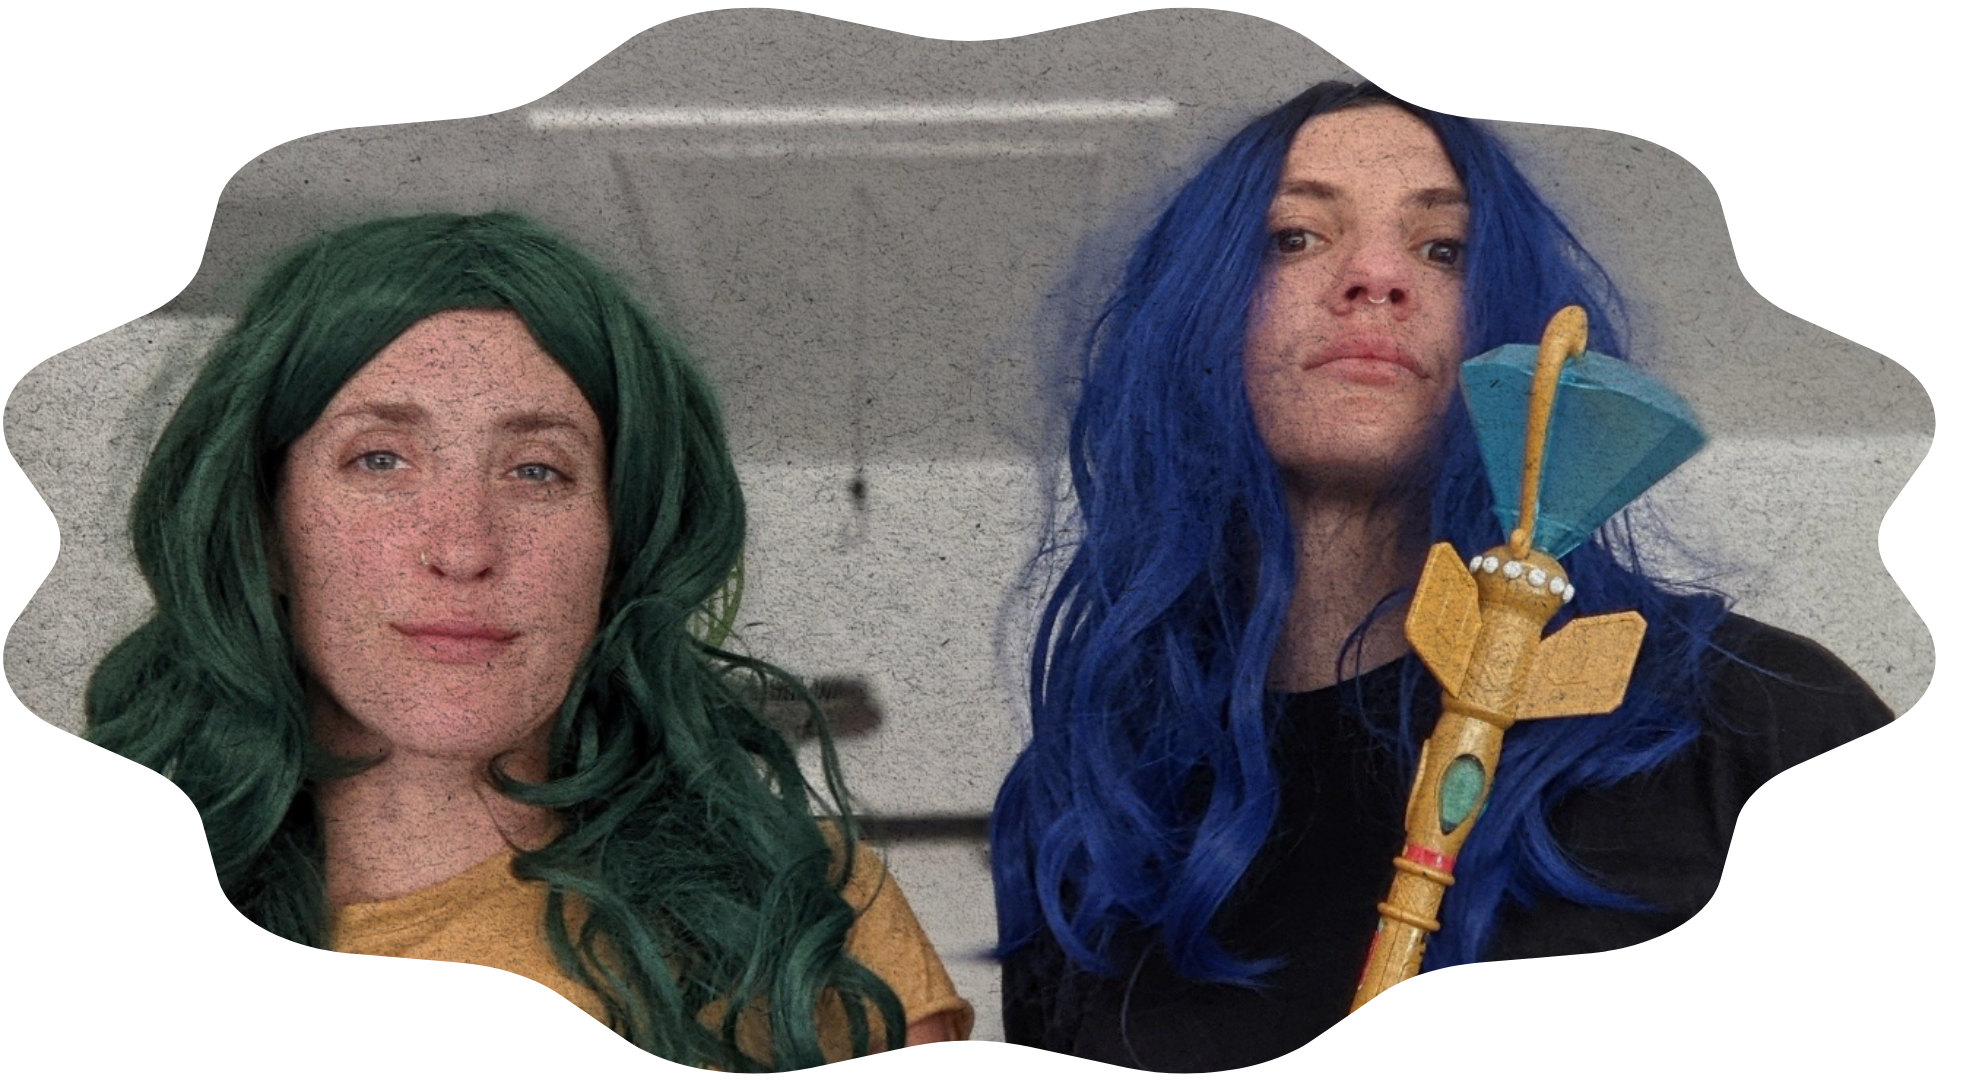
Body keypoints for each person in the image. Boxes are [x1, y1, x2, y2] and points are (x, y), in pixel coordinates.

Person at [990, 81, 1890, 1069]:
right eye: (1294, 237)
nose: (1376, 276)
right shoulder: (1084, 804)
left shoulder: (1759, 719)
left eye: (1443, 248)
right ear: (1191, 321)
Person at [85, 211, 971, 1069]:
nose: (464, 547)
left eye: (538, 470)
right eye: (380, 460)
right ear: (264, 526)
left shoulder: (807, 911)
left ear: (620, 544)